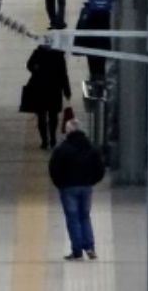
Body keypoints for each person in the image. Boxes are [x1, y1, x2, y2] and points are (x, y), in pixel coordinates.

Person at [49, 119, 106, 261]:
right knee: (85, 216)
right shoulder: (91, 148)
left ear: (68, 131)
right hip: (86, 186)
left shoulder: (62, 149)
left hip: (68, 187)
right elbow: (100, 168)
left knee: (72, 218)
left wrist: (60, 183)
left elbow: (53, 169)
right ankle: (90, 247)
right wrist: (92, 181)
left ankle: (77, 251)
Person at [26, 44, 71, 149]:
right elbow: (64, 74)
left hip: (40, 89)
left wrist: (35, 70)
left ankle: (45, 140)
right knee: (53, 116)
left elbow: (29, 65)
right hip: (54, 89)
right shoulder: (58, 55)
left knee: (42, 116)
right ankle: (52, 138)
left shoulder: (38, 53)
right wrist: (67, 91)